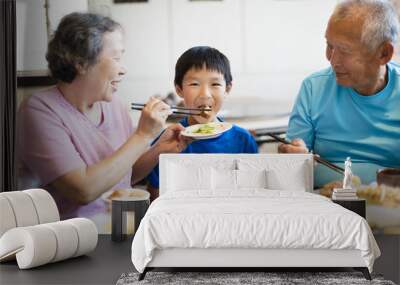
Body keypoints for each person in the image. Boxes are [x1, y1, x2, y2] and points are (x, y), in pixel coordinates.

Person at [17, 12, 188, 226]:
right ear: (81, 62)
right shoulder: (38, 111)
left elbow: (124, 174)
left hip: (115, 227)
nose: (123, 68)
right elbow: (83, 190)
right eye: (116, 58)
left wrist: (158, 149)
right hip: (67, 240)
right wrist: (143, 135)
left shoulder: (113, 104)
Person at [279, 0, 400, 187]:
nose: (333, 60)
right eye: (329, 45)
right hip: (324, 202)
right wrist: (293, 157)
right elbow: (290, 168)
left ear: (383, 53)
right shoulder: (313, 88)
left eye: (344, 50)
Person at [136, 46, 258, 200]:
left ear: (227, 89)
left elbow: (253, 194)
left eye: (215, 84)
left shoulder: (243, 140)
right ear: (179, 89)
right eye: (194, 84)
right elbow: (156, 195)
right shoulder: (168, 141)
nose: (205, 94)